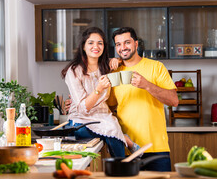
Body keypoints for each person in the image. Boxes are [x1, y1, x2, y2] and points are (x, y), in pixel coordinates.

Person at [108, 27, 179, 171]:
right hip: (127, 149)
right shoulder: (115, 72)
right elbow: (109, 107)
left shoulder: (156, 67)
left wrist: (147, 85)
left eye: (127, 42)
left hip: (156, 148)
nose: (123, 48)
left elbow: (174, 101)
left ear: (136, 44)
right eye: (118, 44)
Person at [61, 27, 136, 157]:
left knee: (112, 127)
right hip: (81, 121)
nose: (96, 46)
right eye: (90, 43)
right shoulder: (74, 72)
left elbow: (125, 59)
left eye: (100, 43)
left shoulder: (106, 66)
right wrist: (98, 89)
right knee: (113, 130)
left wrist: (117, 60)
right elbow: (83, 109)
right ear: (83, 47)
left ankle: (120, 167)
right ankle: (125, 147)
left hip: (104, 117)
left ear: (104, 47)